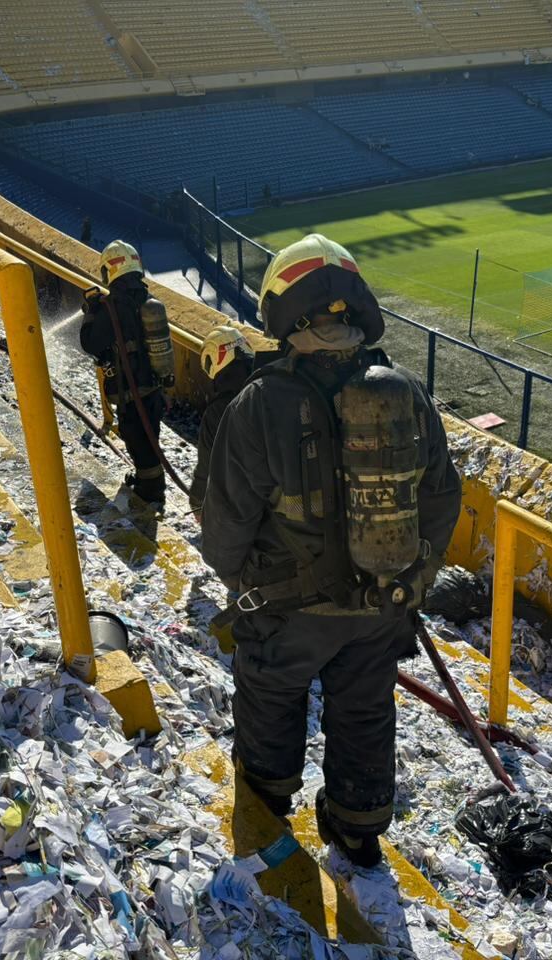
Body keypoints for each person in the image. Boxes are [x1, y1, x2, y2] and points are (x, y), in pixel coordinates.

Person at [201, 234, 461, 868]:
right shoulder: (405, 391)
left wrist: (247, 583)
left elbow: (224, 526)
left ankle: (267, 809)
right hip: (381, 605)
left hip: (287, 612)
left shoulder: (258, 402)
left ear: (284, 312)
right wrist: (412, 576)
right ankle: (358, 829)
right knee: (365, 710)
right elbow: (441, 496)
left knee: (270, 698)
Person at [79, 240, 171, 505]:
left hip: (130, 391)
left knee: (137, 440)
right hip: (153, 387)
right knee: (150, 436)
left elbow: (90, 343)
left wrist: (91, 312)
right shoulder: (147, 299)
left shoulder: (111, 306)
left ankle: (150, 492)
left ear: (110, 270)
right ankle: (149, 481)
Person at [190, 326, 255, 520]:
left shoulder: (219, 411)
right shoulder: (269, 383)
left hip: (243, 508)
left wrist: (197, 503)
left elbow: (207, 464)